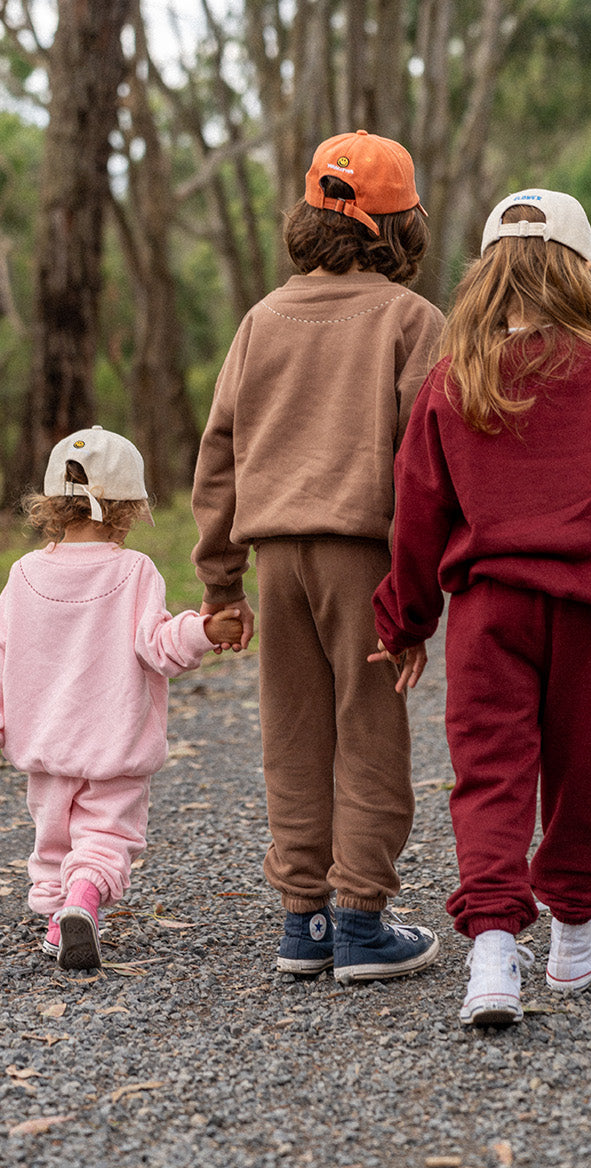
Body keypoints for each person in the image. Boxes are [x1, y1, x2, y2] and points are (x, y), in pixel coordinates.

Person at [372, 189, 591, 1027]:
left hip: (488, 613)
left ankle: (490, 953)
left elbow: (420, 509)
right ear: (582, 270)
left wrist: (404, 622)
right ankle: (577, 926)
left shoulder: (457, 374)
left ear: (485, 271)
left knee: (491, 773)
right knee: (583, 763)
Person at [191, 130, 446, 983]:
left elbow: (219, 452)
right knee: (368, 731)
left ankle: (302, 922)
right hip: (364, 558)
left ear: (310, 213)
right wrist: (414, 599)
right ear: (402, 225)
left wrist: (220, 584)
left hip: (273, 555)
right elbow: (429, 468)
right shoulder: (413, 321)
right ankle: (363, 920)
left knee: (293, 735)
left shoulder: (263, 319)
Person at [0, 425, 242, 970]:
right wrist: (204, 631)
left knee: (53, 837)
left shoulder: (25, 573)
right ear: (128, 509)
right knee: (105, 836)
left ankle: (63, 917)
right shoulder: (134, 571)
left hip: (47, 746)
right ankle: (83, 903)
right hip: (115, 743)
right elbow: (158, 646)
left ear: (51, 503)